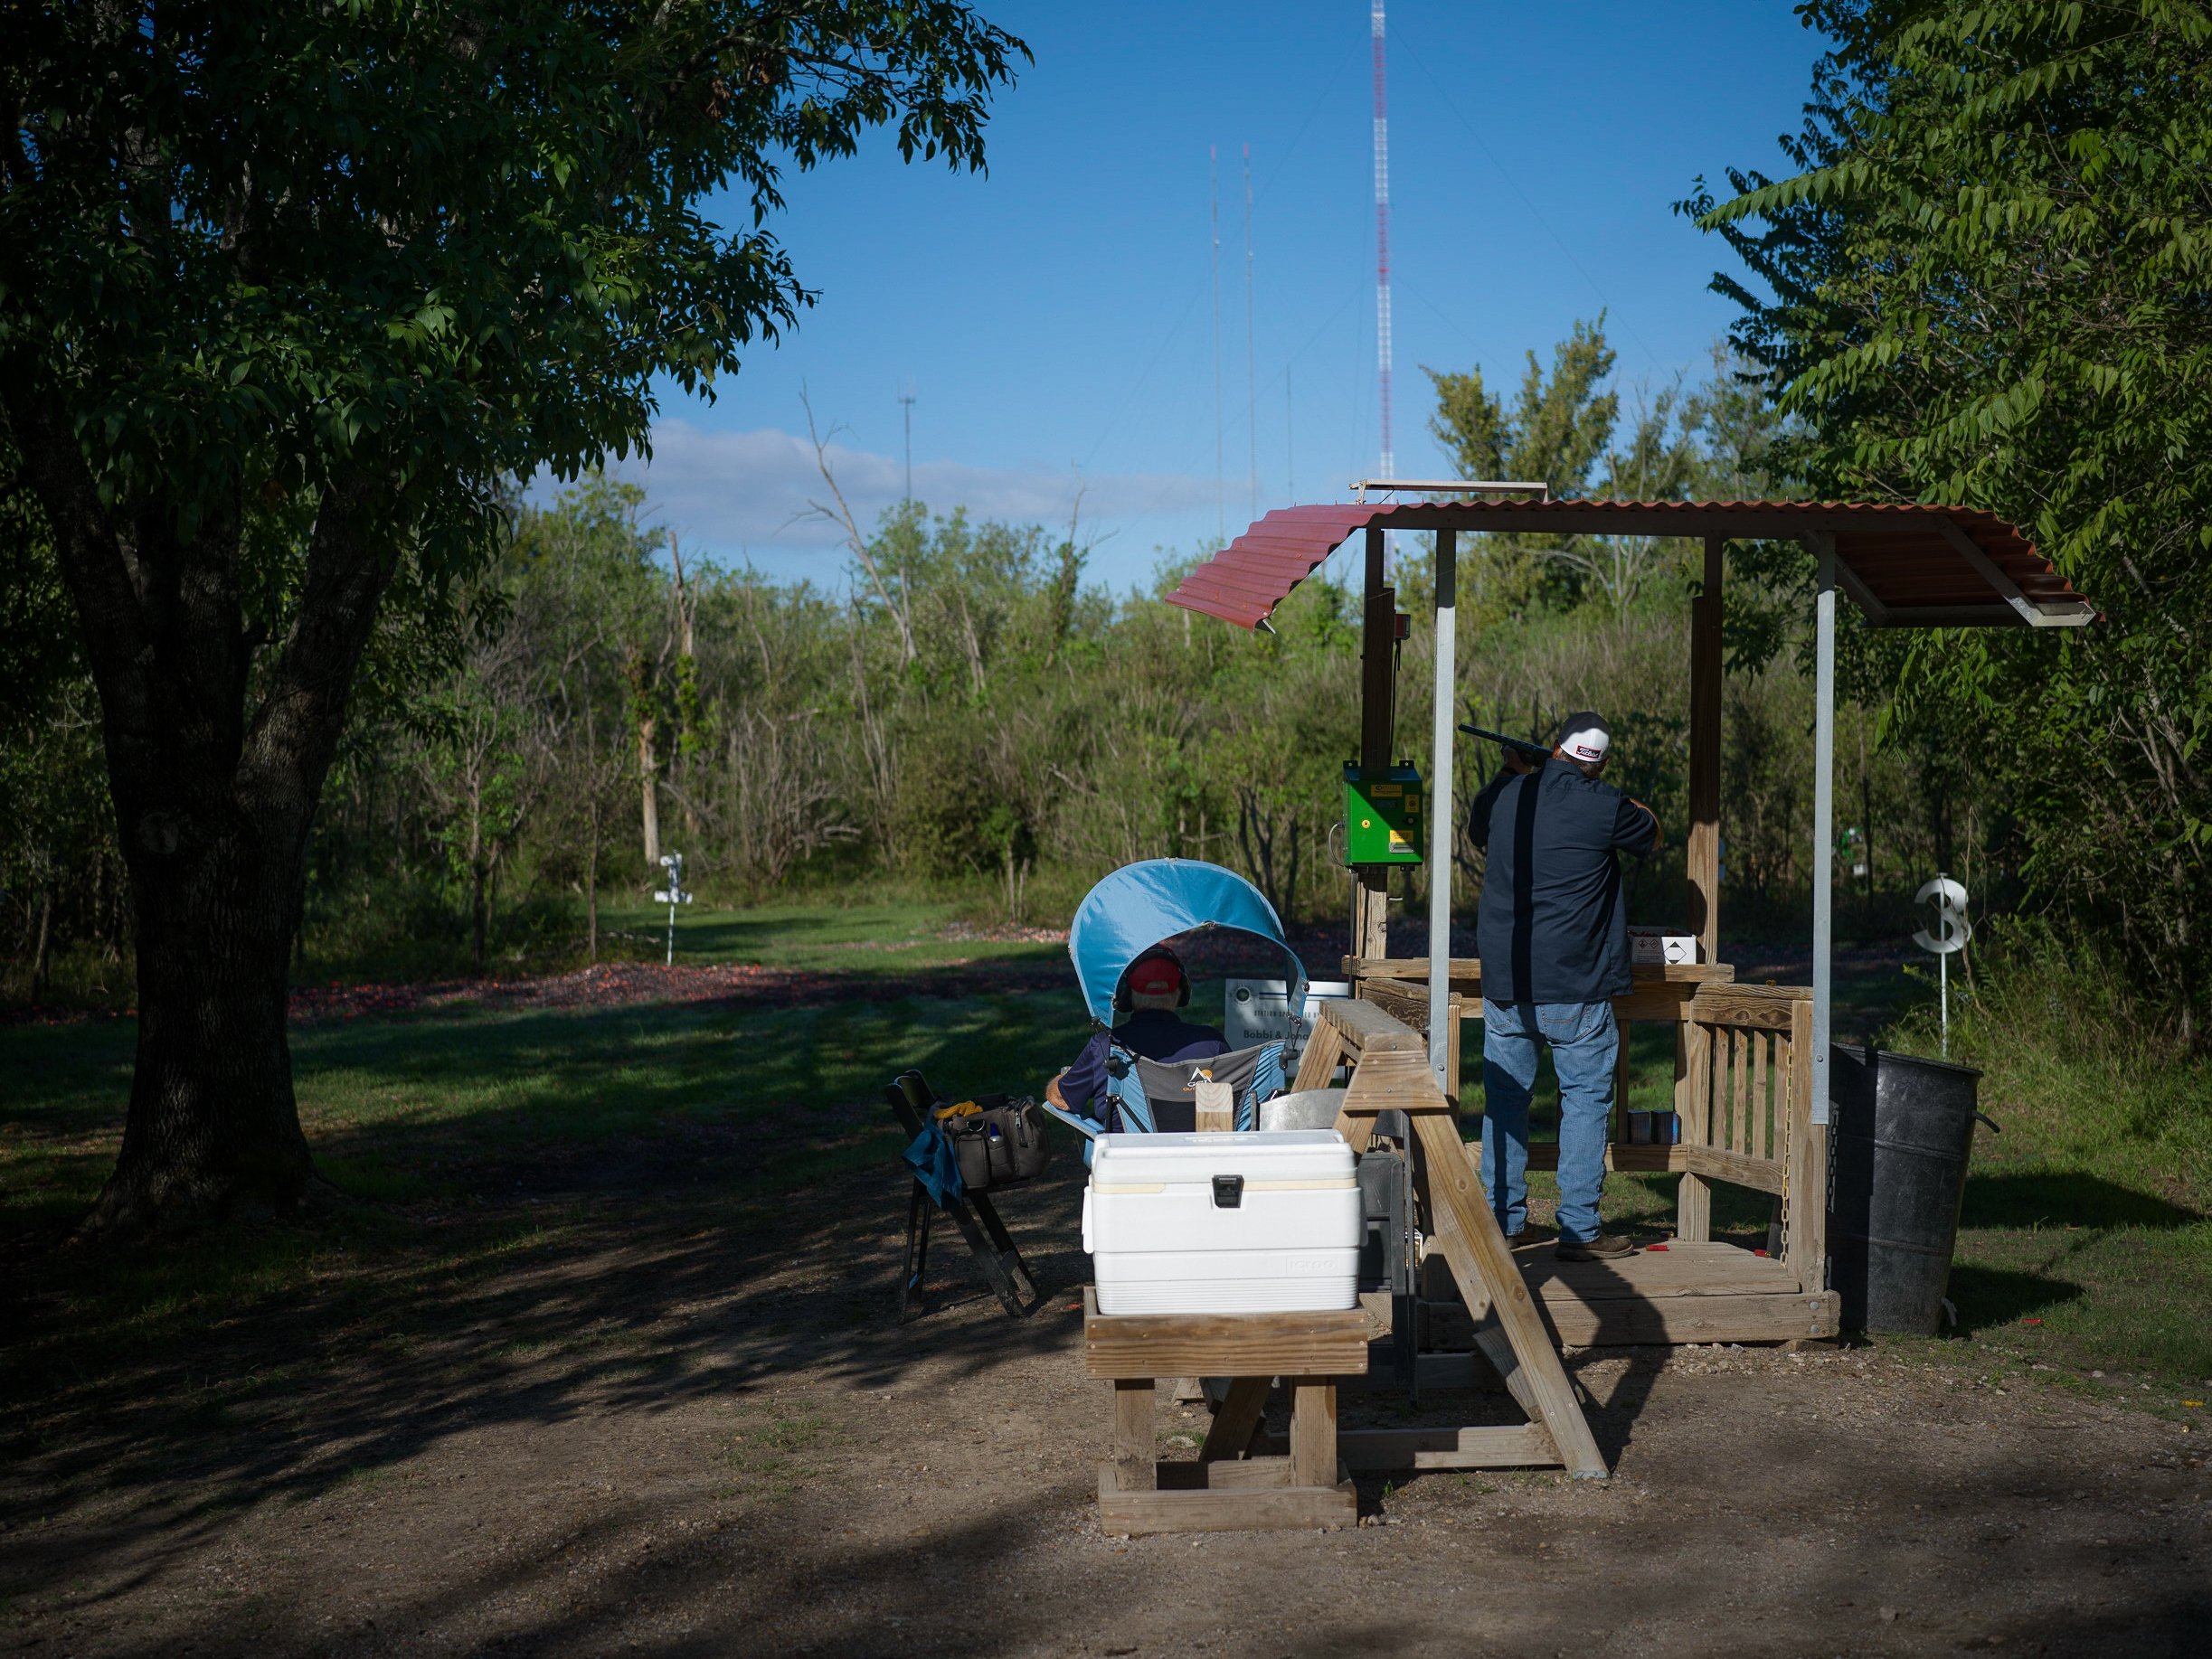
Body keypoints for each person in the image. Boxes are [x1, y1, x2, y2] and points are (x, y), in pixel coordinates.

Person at [1466, 712, 1660, 1261]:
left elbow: (1480, 829)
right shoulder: (1604, 805)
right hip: (1575, 982)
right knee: (1584, 1100)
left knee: (1506, 1101)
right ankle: (1578, 1230)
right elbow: (1651, 831)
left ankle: (1504, 1222)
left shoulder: (1508, 796)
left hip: (1508, 982)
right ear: (1596, 762)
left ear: (1556, 747)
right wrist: (1598, 784)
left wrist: (1511, 772)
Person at [1046, 944, 1229, 1128]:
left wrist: (1066, 1077)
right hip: (1199, 1154)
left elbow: (1060, 1099)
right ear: (1182, 991)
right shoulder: (1212, 1044)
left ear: (1125, 993)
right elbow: (1232, 1105)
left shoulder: (1107, 1046)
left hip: (1124, 1155)